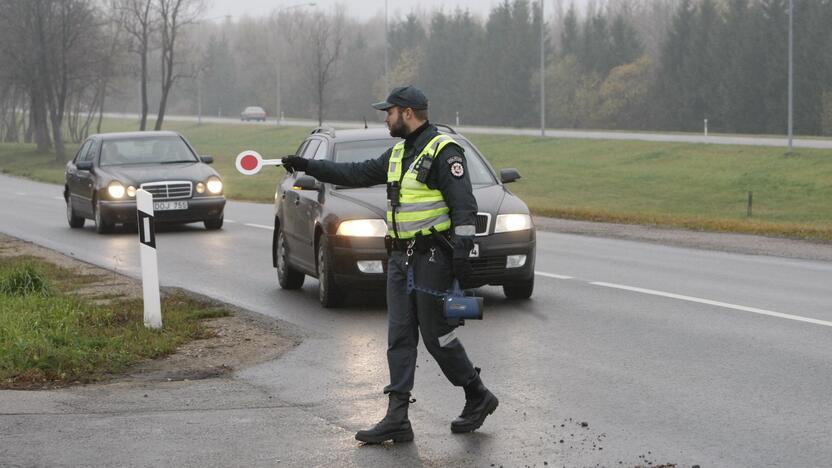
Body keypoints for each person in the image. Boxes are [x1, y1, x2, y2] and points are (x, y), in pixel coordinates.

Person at [281, 86, 499, 444]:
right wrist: (309, 165)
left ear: (408, 113)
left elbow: (464, 206)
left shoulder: (445, 151)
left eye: (390, 112)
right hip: (400, 257)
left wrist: (462, 256)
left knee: (436, 335)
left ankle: (477, 394)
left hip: (431, 257)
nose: (386, 118)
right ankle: (398, 417)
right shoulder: (399, 152)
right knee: (399, 335)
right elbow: (355, 172)